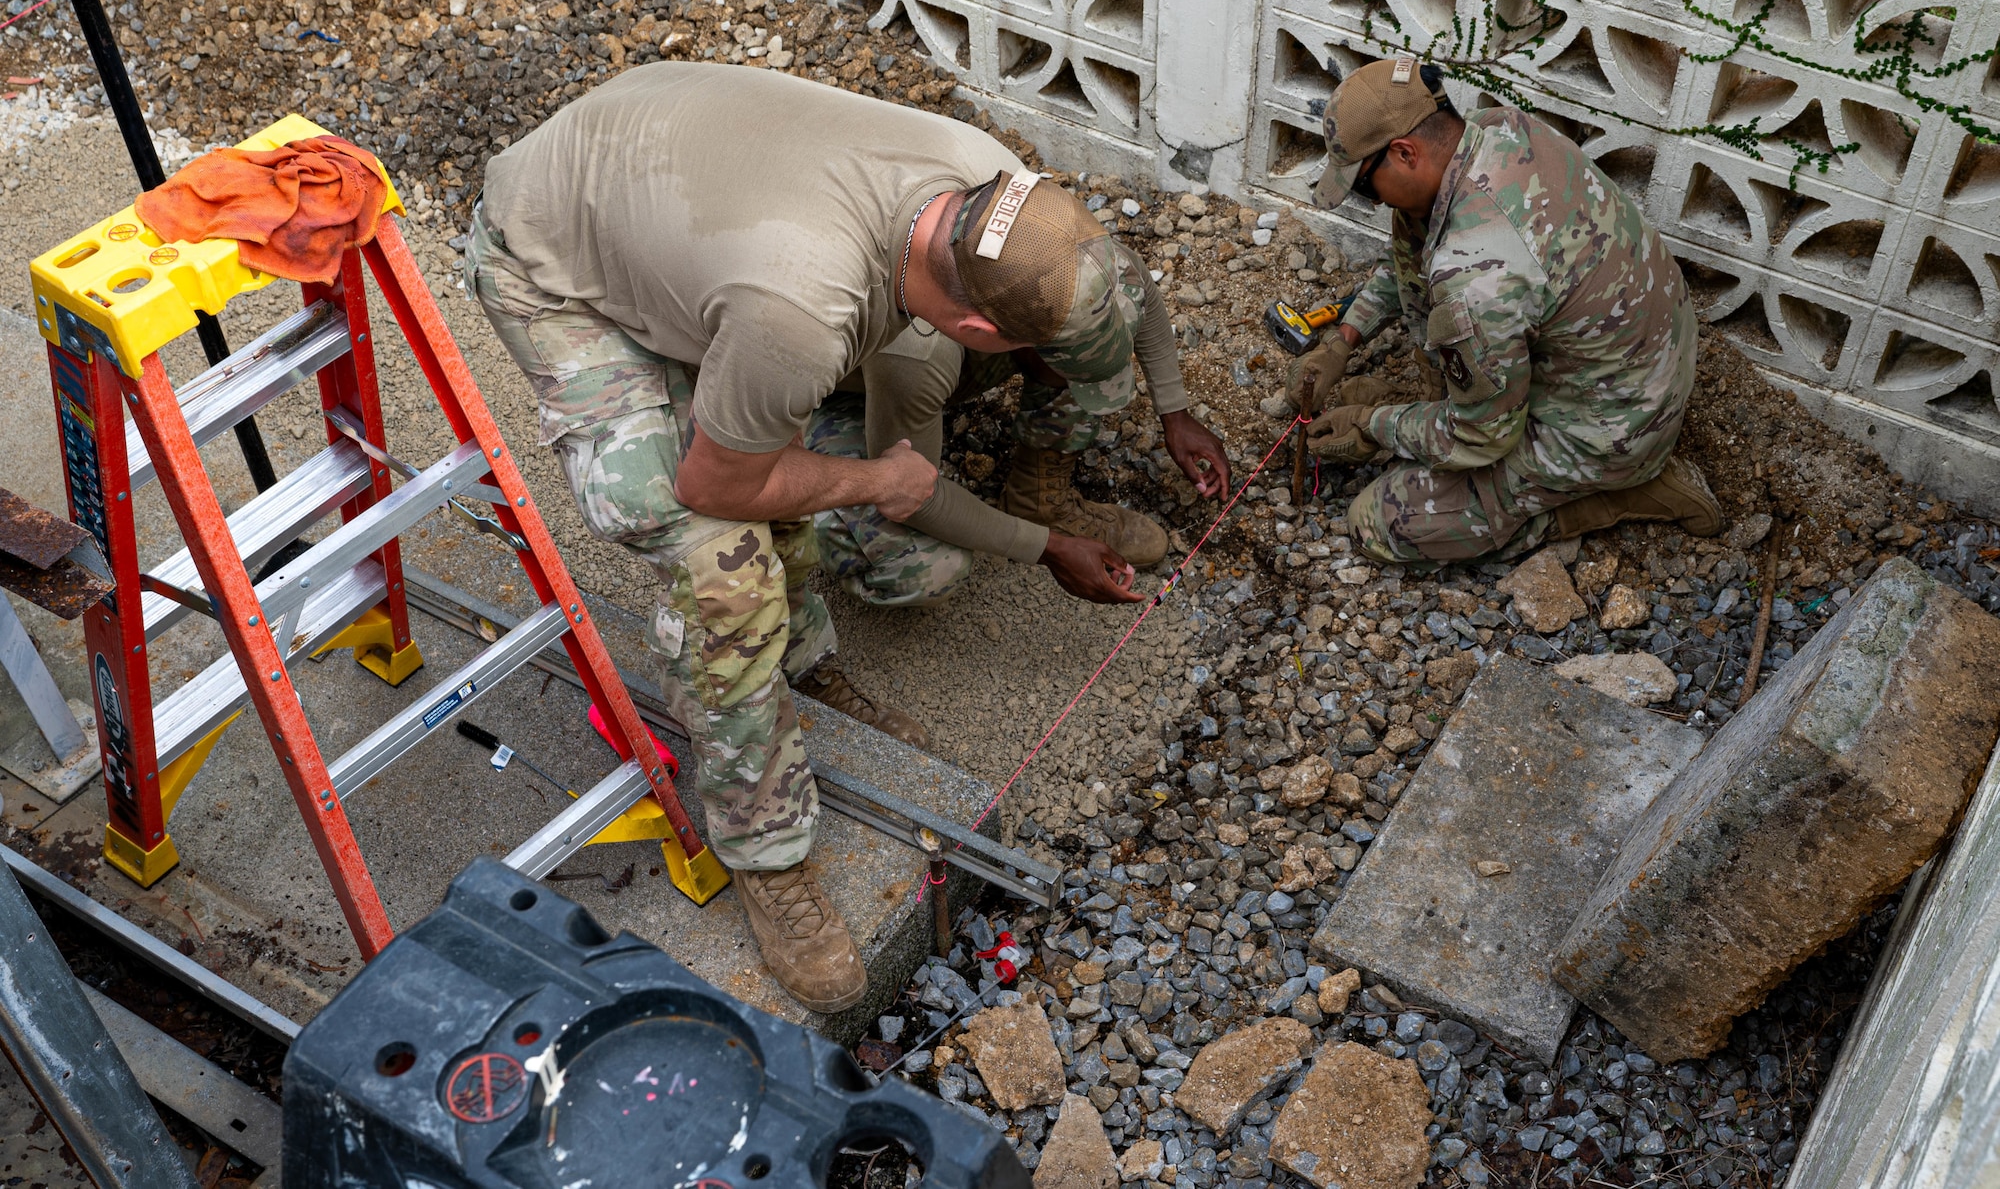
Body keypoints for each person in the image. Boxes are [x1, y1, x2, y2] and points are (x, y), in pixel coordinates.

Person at [467, 62, 1227, 1013]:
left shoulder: (1000, 201)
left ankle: (802, 664)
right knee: (724, 567)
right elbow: (718, 479)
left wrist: (1173, 401)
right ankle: (766, 850)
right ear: (980, 326)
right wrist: (878, 479)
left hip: (673, 187)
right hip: (552, 254)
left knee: (775, 452)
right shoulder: (805, 309)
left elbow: (1116, 279)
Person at [1289, 57, 1723, 563]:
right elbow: (1412, 256)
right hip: (1634, 366)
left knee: (1379, 522)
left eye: (1365, 185)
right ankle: (1457, 402)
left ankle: (1617, 495)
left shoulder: (1476, 275)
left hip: (1611, 433)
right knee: (1412, 220)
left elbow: (1481, 437)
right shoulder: (1496, 130)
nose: (1373, 200)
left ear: (1405, 152)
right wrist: (1343, 340)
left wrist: (1372, 424)